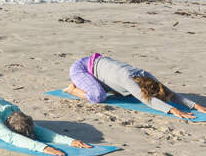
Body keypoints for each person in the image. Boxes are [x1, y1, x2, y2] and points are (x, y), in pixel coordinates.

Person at [64, 53, 206, 119]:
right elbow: (148, 100)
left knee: (123, 93)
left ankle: (104, 85)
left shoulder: (145, 75)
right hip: (81, 69)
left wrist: (195, 106)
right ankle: (72, 89)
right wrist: (173, 110)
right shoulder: (129, 80)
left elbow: (170, 93)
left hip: (98, 63)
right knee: (99, 97)